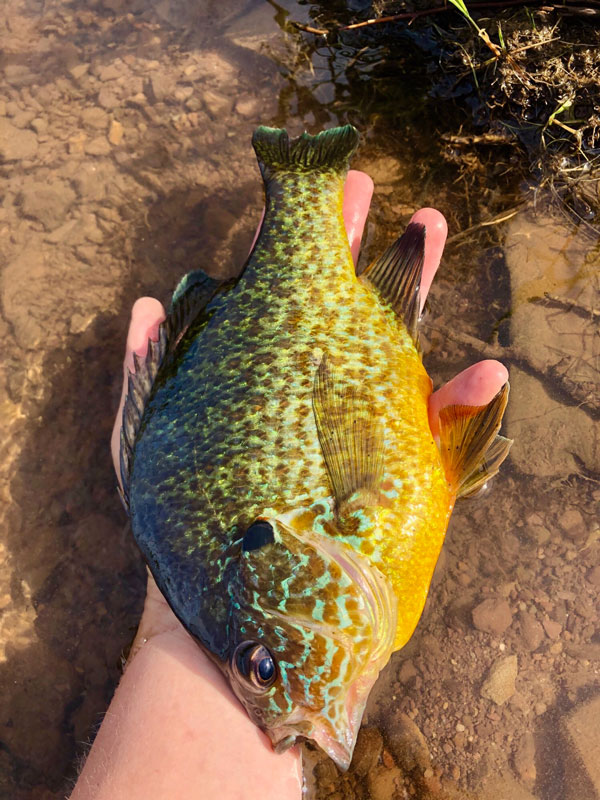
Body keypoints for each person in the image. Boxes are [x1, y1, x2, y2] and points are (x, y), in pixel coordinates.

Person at [69, 171, 507, 800]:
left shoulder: (337, 560)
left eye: (262, 667)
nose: (278, 727)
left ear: (274, 551)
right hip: (348, 341)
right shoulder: (374, 589)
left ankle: (301, 184)